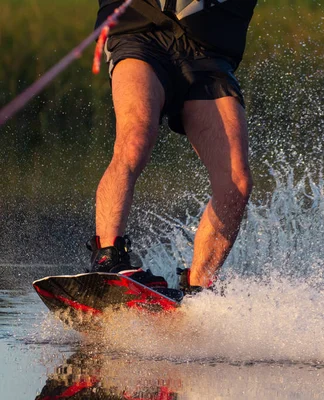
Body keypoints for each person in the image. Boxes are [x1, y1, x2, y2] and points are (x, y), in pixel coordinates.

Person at [86, 0, 258, 294]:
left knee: (237, 183)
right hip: (141, 34)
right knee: (135, 138)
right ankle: (109, 258)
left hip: (209, 54)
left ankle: (197, 288)